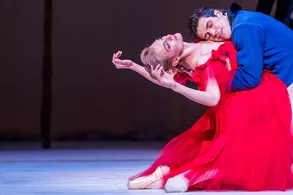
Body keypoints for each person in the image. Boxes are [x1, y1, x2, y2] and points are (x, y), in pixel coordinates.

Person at [112, 33, 293, 192]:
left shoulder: (194, 50)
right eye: (166, 45)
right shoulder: (203, 61)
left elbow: (163, 78)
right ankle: (182, 177)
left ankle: (169, 175)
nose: (167, 37)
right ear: (174, 61)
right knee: (239, 159)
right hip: (251, 101)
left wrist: (133, 66)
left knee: (232, 155)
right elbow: (212, 98)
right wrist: (174, 86)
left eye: (161, 38)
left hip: (246, 98)